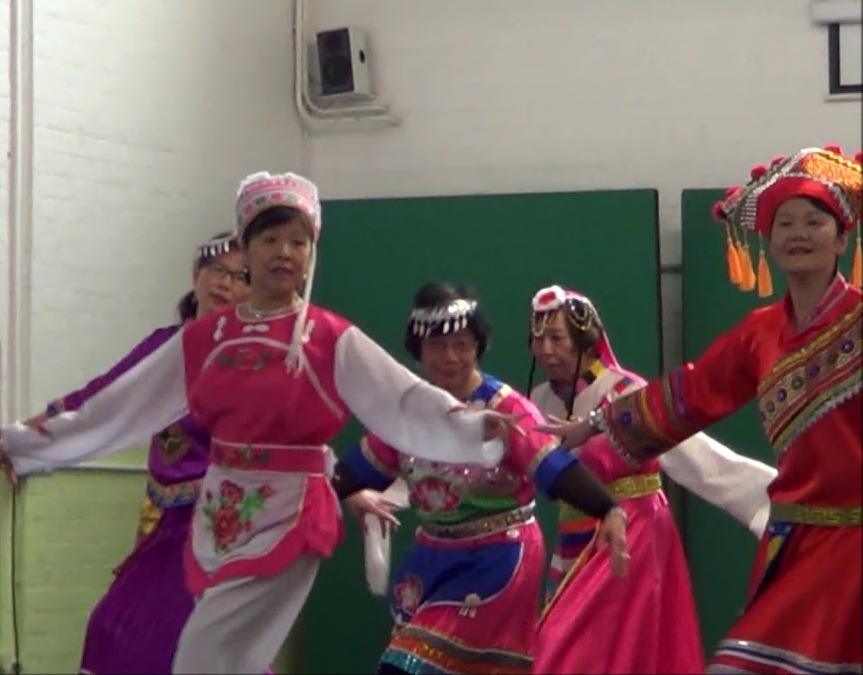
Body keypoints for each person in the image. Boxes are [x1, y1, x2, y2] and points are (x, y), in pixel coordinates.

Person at [0, 171, 522, 675]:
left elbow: (401, 398)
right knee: (226, 659)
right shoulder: (204, 339)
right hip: (219, 512)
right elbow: (119, 403)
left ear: (311, 254)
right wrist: (23, 443)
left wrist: (470, 428)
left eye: (298, 242)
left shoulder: (328, 337)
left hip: (291, 511)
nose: (284, 252)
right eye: (270, 239)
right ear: (246, 249)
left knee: (202, 654)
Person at [541, 145, 861, 675]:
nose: (798, 233)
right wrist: (596, 423)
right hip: (797, 546)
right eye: (784, 223)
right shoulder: (759, 334)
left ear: (842, 238)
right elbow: (690, 394)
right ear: (769, 240)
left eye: (813, 221)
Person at [335, 283, 628, 675]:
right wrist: (338, 492)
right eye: (438, 346)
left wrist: (608, 509)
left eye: (462, 345)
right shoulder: (410, 412)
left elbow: (553, 467)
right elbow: (355, 472)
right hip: (431, 557)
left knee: (406, 668)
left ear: (479, 347)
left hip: (497, 557)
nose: (451, 358)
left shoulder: (505, 408)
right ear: (418, 348)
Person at [21, 232, 249, 674]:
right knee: (117, 629)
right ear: (196, 275)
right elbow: (104, 395)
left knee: (176, 634)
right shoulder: (163, 348)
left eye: (240, 277)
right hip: (162, 521)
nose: (225, 283)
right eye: (217, 271)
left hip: (214, 521)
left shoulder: (247, 359)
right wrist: (26, 437)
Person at [526, 284, 777, 672]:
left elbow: (696, 458)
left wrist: (770, 498)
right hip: (573, 532)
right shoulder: (539, 398)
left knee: (605, 648)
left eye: (557, 338)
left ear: (586, 340)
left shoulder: (624, 391)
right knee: (562, 640)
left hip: (634, 533)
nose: (546, 350)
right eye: (538, 339)